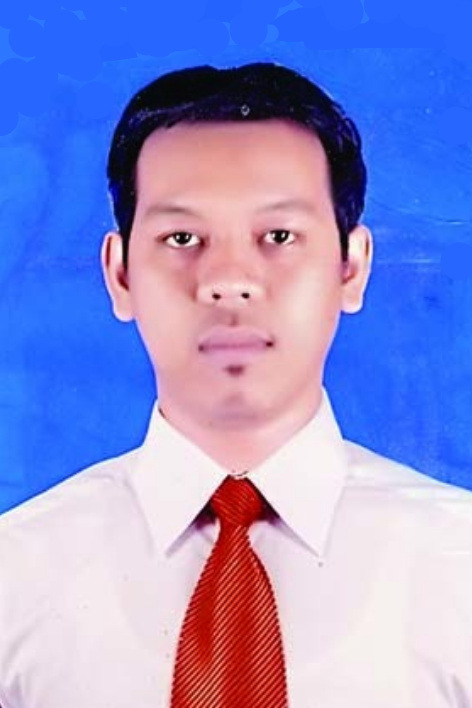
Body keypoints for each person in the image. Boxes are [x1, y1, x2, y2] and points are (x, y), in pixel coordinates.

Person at [1, 61, 472, 708]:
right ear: (120, 275)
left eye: (278, 235)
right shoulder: (15, 575)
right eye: (182, 237)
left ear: (351, 267)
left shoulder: (460, 564)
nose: (228, 280)